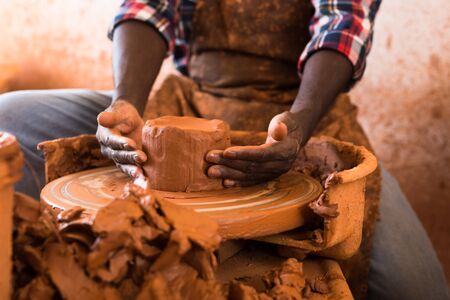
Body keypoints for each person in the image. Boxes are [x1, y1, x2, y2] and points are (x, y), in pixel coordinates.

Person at [0, 1, 448, 299]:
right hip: (187, 107)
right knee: (11, 114)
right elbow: (146, 8)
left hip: (301, 119)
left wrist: (298, 126)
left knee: (417, 286)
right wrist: (126, 101)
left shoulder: (303, 122)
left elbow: (343, 23)